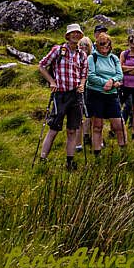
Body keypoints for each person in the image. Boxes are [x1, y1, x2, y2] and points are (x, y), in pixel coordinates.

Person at [37, 23, 88, 170]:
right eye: (73, 33)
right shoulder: (58, 50)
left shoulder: (82, 54)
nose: (75, 35)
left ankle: (69, 161)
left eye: (78, 33)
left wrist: (82, 84)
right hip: (60, 95)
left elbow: (84, 73)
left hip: (76, 95)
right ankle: (43, 158)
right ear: (67, 35)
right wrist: (52, 81)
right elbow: (42, 65)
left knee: (72, 129)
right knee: (54, 128)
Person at [85, 32, 126, 155]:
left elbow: (120, 74)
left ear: (110, 45)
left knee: (118, 123)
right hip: (96, 94)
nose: (104, 48)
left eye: (107, 45)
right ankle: (97, 153)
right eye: (101, 45)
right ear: (97, 45)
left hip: (112, 95)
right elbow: (91, 76)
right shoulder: (92, 58)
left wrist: (112, 81)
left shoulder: (114, 58)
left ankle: (123, 151)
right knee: (97, 125)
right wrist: (106, 83)